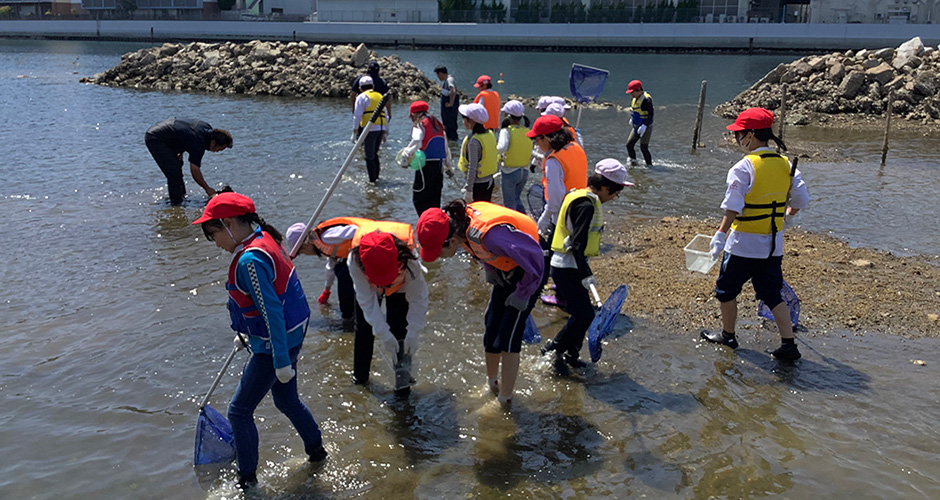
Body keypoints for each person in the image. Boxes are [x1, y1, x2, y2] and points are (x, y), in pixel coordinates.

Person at [192, 192, 326, 489]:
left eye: (213, 234)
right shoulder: (265, 237)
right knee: (287, 400)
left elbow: (271, 311)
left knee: (238, 412)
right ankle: (317, 453)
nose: (216, 243)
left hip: (275, 346)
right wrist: (247, 334)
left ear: (228, 224)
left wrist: (279, 361)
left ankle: (247, 481)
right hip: (292, 336)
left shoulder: (250, 261)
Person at [700, 107, 810, 362]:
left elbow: (733, 207)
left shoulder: (743, 167)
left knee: (726, 291)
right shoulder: (786, 164)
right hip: (773, 245)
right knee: (772, 293)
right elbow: (802, 199)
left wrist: (720, 234)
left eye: (739, 133)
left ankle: (728, 335)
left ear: (750, 135)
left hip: (742, 245)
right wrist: (787, 215)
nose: (737, 138)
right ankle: (788, 345)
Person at [416, 201, 543, 407]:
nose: (439, 257)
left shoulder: (487, 235)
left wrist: (523, 292)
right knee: (492, 325)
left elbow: (535, 256)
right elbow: (483, 252)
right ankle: (491, 384)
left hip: (531, 266)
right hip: (509, 264)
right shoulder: (458, 226)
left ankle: (504, 400)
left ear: (451, 241)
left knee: (509, 335)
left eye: (438, 251)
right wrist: (491, 269)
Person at [541, 160, 632, 375]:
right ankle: (553, 349)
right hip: (567, 267)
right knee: (584, 315)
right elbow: (577, 244)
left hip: (568, 264)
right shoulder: (586, 204)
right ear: (605, 187)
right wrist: (585, 274)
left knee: (581, 313)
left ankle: (571, 354)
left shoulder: (579, 195)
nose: (614, 198)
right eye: (615, 193)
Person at [347, 223, 428, 389]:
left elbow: (418, 299)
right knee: (363, 327)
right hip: (368, 287)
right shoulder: (355, 261)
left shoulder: (409, 261)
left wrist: (414, 331)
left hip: (401, 285)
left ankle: (403, 385)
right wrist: (383, 333)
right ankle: (360, 380)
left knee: (400, 329)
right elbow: (367, 302)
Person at [527, 114, 588, 307]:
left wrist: (542, 223)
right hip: (582, 208)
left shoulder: (554, 161)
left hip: (563, 215)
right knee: (574, 252)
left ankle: (563, 297)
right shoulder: (576, 147)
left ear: (548, 138)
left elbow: (554, 200)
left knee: (558, 258)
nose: (536, 145)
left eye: (537, 140)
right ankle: (567, 288)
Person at [286, 218, 374, 332]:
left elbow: (356, 231)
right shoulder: (323, 244)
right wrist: (326, 291)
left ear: (303, 245)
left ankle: (348, 318)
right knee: (340, 268)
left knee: (343, 272)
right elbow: (330, 266)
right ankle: (353, 313)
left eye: (301, 252)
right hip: (361, 255)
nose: (305, 254)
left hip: (373, 246)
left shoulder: (327, 237)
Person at [145, 118, 232, 205]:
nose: (217, 152)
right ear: (213, 143)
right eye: (219, 149)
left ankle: (181, 197)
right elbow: (195, 170)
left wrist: (180, 153)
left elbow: (185, 136)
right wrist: (207, 188)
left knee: (177, 166)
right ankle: (176, 205)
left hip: (168, 132)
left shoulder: (207, 129)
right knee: (174, 172)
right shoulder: (199, 142)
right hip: (155, 138)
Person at [399, 100, 454, 216]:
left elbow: (417, 142)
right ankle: (436, 225)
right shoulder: (438, 125)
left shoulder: (420, 125)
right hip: (439, 167)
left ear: (414, 114)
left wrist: (405, 156)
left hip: (425, 167)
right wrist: (449, 167)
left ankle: (424, 225)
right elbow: (446, 148)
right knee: (434, 201)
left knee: (419, 200)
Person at [496, 100, 532, 213]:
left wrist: (490, 150)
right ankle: (525, 222)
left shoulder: (506, 131)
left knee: (509, 205)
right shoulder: (527, 131)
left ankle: (512, 227)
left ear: (507, 116)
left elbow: (501, 148)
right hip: (524, 172)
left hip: (509, 172)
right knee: (516, 199)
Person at [457, 103, 498, 203]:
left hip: (477, 185)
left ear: (470, 121)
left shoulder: (473, 142)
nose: (463, 122)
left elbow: (473, 167)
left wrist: (469, 190)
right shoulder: (489, 134)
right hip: (489, 181)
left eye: (464, 119)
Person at [352, 75, 390, 183]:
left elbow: (357, 116)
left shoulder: (361, 97)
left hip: (370, 129)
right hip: (381, 128)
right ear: (373, 86)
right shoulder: (380, 96)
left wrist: (354, 132)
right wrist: (386, 132)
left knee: (369, 155)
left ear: (360, 88)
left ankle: (372, 181)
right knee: (375, 153)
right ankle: (377, 177)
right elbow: (386, 114)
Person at [625, 79, 654, 167]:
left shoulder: (646, 100)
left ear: (638, 90)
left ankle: (649, 166)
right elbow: (636, 110)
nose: (631, 94)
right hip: (636, 125)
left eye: (632, 92)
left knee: (643, 148)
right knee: (629, 145)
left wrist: (645, 125)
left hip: (645, 126)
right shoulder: (635, 98)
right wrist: (632, 119)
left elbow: (650, 114)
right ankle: (633, 163)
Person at [434, 65, 460, 142]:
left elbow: (453, 91)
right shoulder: (446, 80)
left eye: (438, 74)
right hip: (447, 110)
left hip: (450, 109)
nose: (438, 77)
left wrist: (450, 103)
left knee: (451, 127)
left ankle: (453, 142)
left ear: (441, 73)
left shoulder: (449, 79)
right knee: (447, 126)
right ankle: (451, 145)